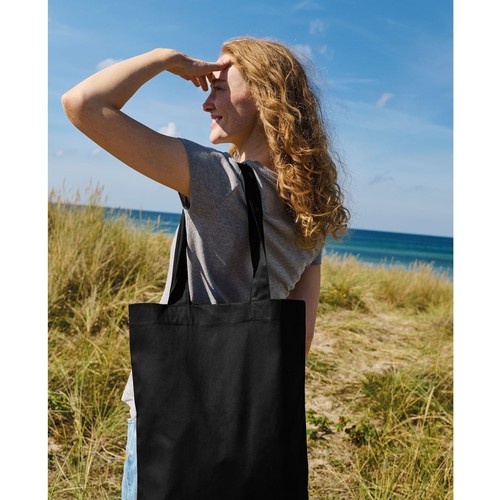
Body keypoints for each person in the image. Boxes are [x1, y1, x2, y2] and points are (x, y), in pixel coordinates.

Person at [62, 36, 349, 498]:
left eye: (219, 86)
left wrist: (162, 59)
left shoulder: (219, 179)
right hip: (249, 427)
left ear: (263, 94)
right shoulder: (309, 211)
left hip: (173, 414)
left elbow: (82, 104)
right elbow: (302, 338)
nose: (206, 102)